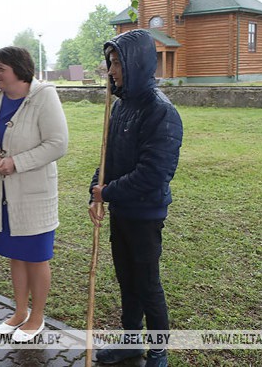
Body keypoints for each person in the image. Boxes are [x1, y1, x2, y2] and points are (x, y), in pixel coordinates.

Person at [88, 30, 183, 367]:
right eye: (110, 63)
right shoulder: (121, 107)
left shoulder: (161, 112)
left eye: (116, 64)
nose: (111, 71)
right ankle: (131, 342)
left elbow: (154, 173)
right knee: (126, 279)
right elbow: (108, 159)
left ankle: (158, 350)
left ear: (137, 63)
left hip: (146, 213)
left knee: (147, 283)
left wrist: (107, 192)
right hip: (121, 211)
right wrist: (95, 192)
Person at [0, 46, 68, 343]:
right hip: (1, 194)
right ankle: (20, 311)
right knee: (16, 255)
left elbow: (58, 143)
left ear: (19, 71)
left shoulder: (45, 96)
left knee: (36, 257)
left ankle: (37, 318)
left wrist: (16, 163)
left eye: (0, 68)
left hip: (34, 196)